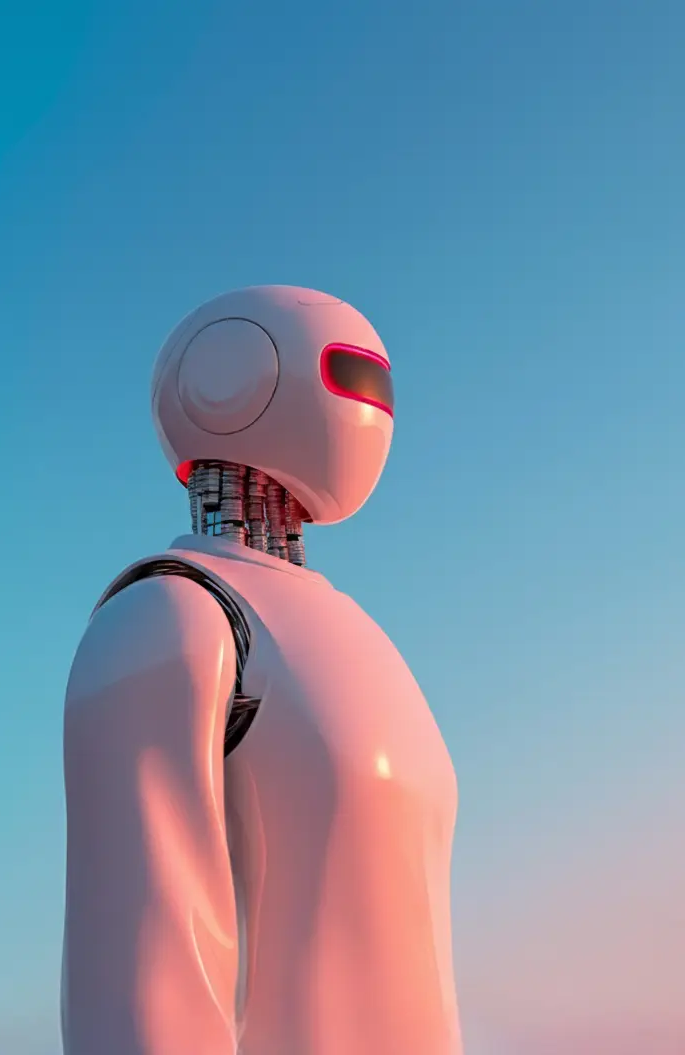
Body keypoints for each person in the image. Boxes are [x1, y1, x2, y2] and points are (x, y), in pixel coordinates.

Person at [61, 285, 463, 1055]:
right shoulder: (171, 614)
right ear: (230, 372)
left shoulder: (352, 633)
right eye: (353, 375)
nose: (371, 407)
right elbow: (143, 982)